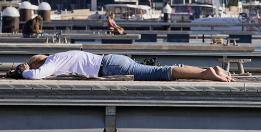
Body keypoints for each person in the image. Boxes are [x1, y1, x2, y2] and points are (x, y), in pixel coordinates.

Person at [16, 50, 234, 82]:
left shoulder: (53, 60)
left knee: (162, 73)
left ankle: (207, 74)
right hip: (112, 60)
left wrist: (24, 70)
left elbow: (36, 76)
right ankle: (209, 71)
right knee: (160, 71)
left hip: (111, 68)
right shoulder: (63, 55)